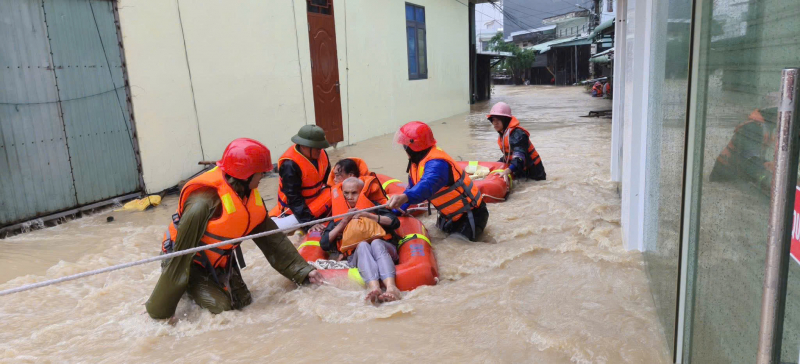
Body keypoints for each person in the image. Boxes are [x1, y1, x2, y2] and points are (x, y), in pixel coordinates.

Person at [146, 138, 321, 319]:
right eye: (261, 173)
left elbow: (272, 240)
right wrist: (160, 311)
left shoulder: (247, 193)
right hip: (190, 264)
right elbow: (180, 258)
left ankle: (206, 286)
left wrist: (304, 272)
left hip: (220, 261)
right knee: (222, 309)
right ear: (246, 176)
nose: (263, 177)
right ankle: (189, 289)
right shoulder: (203, 203)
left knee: (244, 302)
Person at [387, 121, 489, 241]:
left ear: (413, 146)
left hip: (470, 215)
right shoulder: (417, 163)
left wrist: (404, 197)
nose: (404, 149)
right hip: (448, 216)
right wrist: (394, 212)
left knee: (456, 247)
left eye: (405, 145)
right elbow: (412, 187)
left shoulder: (437, 164)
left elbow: (426, 186)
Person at [320, 177, 401, 302]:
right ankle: (375, 288)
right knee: (362, 245)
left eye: (354, 193)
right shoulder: (340, 214)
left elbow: (395, 222)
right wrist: (344, 222)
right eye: (346, 193)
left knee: (376, 242)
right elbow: (324, 243)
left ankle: (391, 288)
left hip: (384, 247)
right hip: (357, 254)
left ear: (361, 192)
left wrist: (369, 216)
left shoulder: (373, 206)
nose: (350, 197)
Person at [270, 125, 332, 231]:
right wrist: (310, 222)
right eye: (317, 147)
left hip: (315, 199)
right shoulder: (290, 165)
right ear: (304, 146)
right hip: (294, 209)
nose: (320, 150)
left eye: (321, 147)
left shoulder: (322, 154)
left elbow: (325, 179)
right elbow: (294, 198)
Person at [486, 102, 546, 182]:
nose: (495, 123)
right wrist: (493, 166)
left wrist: (507, 171)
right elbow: (508, 157)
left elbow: (519, 158)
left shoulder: (518, 134)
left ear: (505, 120)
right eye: (493, 120)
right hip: (521, 171)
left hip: (534, 175)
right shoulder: (503, 134)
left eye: (498, 120)